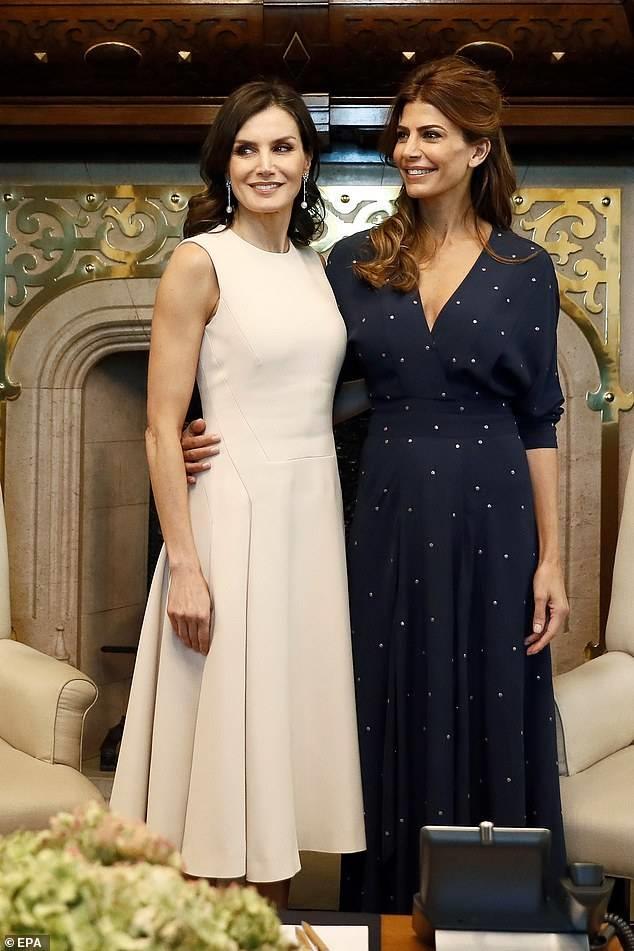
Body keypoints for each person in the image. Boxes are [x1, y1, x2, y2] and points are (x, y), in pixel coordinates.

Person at [182, 56, 569, 914]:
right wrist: (199, 428)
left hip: (495, 506)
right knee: (387, 695)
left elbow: (540, 418)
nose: (409, 150)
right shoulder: (354, 260)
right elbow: (304, 377)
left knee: (493, 697)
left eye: (431, 134)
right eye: (403, 134)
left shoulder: (525, 266)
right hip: (387, 506)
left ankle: (495, 914)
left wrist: (551, 557)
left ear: (477, 148)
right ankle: (389, 912)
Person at [110, 80, 365, 908]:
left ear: (308, 160)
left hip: (307, 521)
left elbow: (315, 392)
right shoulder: (199, 261)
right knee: (219, 752)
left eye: (282, 146)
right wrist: (184, 565)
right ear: (224, 163)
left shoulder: (315, 266)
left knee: (278, 744)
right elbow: (160, 426)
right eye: (246, 148)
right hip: (231, 518)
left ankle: (269, 926)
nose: (264, 164)